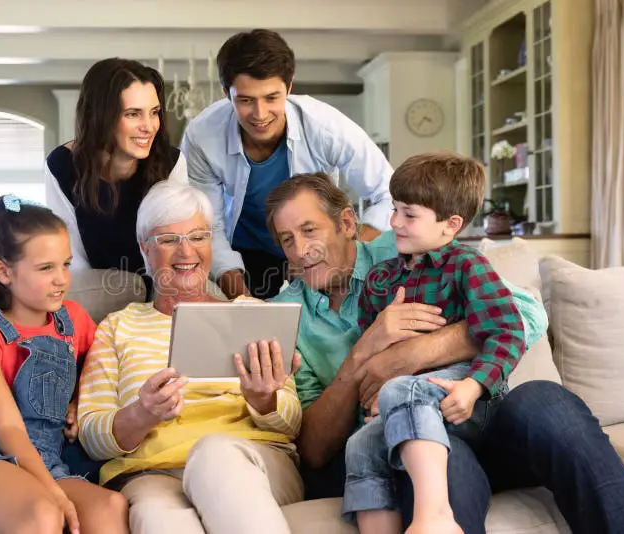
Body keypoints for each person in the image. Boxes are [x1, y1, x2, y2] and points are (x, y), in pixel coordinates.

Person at [265, 173, 624, 533]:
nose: (299, 251)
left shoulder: (408, 244)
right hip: (412, 444)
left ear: (347, 223)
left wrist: (415, 352)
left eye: (309, 230)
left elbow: (525, 313)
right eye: (286, 239)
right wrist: (363, 356)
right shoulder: (286, 317)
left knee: (546, 401)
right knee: (441, 471)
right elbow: (314, 452)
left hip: (481, 415)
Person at [76, 181, 304, 534]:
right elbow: (91, 436)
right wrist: (142, 413)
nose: (186, 252)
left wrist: (264, 398)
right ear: (144, 249)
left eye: (198, 236)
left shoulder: (251, 315)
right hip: (152, 472)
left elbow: (292, 423)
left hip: (251, 460)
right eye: (168, 240)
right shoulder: (117, 327)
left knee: (215, 455)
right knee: (158, 516)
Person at [0, 195, 128, 534]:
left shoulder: (73, 320)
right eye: (46, 268)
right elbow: (9, 430)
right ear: (3, 271)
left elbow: (101, 369)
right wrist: (54, 492)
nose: (61, 278)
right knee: (44, 513)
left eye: (66, 264)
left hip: (44, 456)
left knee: (110, 506)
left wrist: (79, 401)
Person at [344, 153, 525, 534]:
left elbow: (507, 331)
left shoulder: (467, 266)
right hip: (404, 400)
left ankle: (435, 516)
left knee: (402, 389)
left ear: (451, 225)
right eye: (395, 210)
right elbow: (372, 356)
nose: (394, 223)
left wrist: (474, 385)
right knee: (359, 445)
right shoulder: (381, 278)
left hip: (464, 397)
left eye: (409, 215)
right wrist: (377, 386)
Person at [181, 28, 392, 300]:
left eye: (271, 98)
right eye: (245, 100)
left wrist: (343, 250)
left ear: (289, 86)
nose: (260, 115)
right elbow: (210, 225)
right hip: (244, 255)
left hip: (319, 250)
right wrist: (241, 300)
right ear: (226, 93)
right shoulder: (202, 135)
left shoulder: (327, 127)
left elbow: (389, 195)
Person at [46, 58, 187, 277]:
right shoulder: (61, 165)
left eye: (154, 112)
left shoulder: (172, 162)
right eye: (133, 114)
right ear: (100, 117)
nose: (149, 127)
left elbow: (178, 247)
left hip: (160, 284)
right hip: (92, 287)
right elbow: (71, 256)